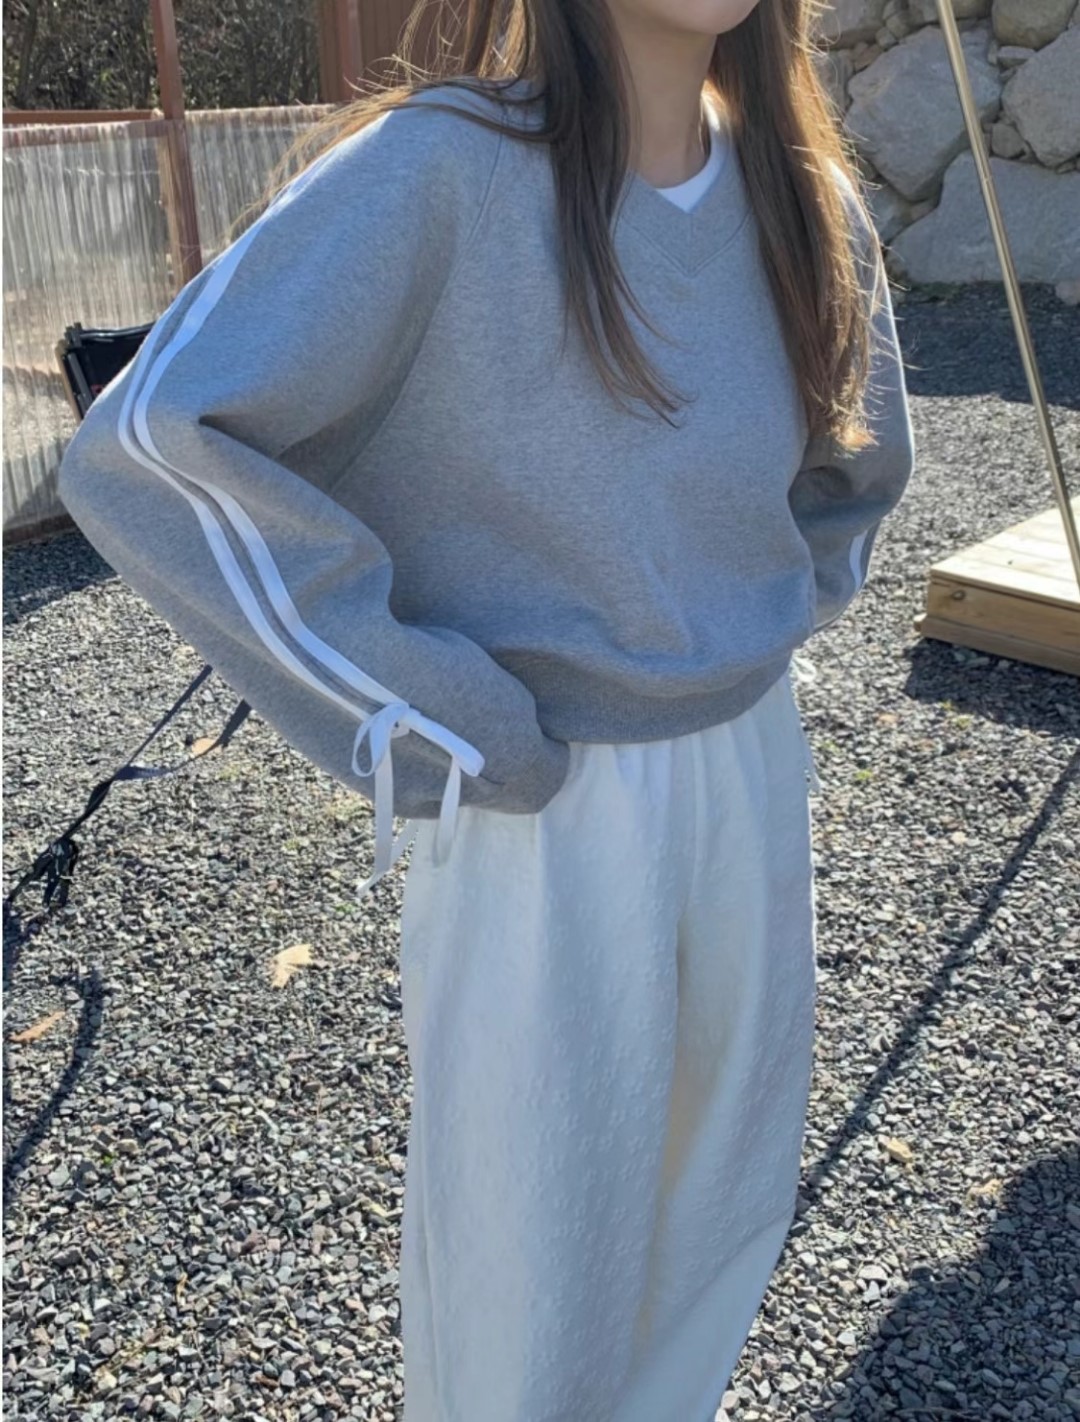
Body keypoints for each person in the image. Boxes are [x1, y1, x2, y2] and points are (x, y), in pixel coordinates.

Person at [56, 0, 916, 1416]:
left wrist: (746, 630)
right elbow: (151, 444)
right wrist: (437, 712)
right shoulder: (443, 171)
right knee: (538, 1260)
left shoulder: (803, 197)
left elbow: (851, 475)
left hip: (752, 768)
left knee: (720, 1201)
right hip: (542, 803)